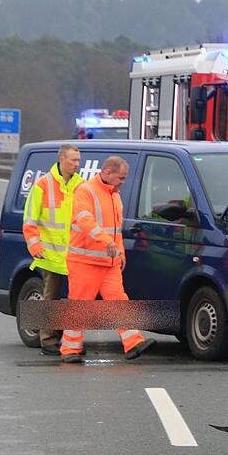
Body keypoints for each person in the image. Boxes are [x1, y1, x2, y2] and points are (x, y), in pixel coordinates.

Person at [60, 155, 155, 363]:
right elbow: (85, 220)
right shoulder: (86, 191)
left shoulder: (114, 195)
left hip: (109, 262)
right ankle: (70, 349)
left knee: (119, 301)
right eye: (121, 178)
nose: (123, 182)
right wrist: (106, 241)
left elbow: (116, 231)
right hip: (85, 261)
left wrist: (120, 253)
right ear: (107, 172)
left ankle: (133, 342)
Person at [22, 143, 82, 355]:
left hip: (75, 254)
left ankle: (70, 342)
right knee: (51, 299)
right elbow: (30, 219)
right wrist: (34, 245)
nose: (77, 164)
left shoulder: (80, 185)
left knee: (74, 300)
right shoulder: (43, 185)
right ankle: (48, 340)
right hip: (51, 254)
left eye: (78, 160)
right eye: (73, 160)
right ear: (62, 159)